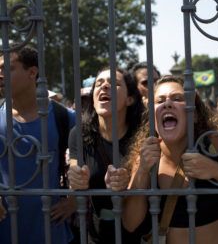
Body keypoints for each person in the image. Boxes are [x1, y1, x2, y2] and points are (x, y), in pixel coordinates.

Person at [122, 75, 218, 244]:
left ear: (194, 114)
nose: (167, 103)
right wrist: (143, 171)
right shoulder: (145, 157)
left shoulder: (214, 143)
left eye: (177, 98)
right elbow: (129, 224)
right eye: (160, 101)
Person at [0, 46, 75, 244]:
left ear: (32, 72)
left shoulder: (64, 117)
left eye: (6, 68)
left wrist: (76, 201)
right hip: (5, 228)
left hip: (52, 230)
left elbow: (93, 158)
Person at [67, 67, 147, 243]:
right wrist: (75, 176)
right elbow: (74, 166)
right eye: (99, 84)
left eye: (114, 84)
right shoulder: (79, 133)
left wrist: (130, 180)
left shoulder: (143, 134)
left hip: (139, 233)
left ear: (130, 99)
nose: (104, 87)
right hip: (97, 234)